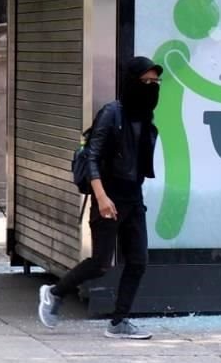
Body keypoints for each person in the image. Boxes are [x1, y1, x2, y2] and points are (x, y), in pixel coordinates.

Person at [37, 57, 163, 339]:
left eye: (155, 83)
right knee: (101, 263)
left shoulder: (144, 117)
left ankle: (119, 322)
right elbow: (92, 156)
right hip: (108, 194)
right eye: (145, 82)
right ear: (131, 82)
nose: (151, 87)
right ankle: (54, 293)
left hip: (133, 196)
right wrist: (102, 198)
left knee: (138, 261)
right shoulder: (111, 113)